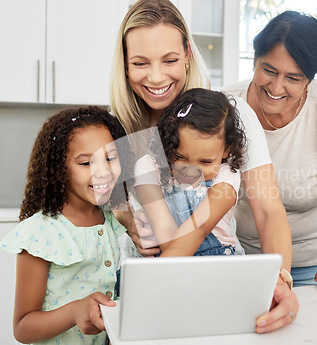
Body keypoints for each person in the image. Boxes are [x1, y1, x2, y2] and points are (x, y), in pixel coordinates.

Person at [109, 0, 298, 333]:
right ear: (125, 65)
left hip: (207, 282)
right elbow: (95, 210)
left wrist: (281, 280)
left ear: (187, 54)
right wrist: (126, 219)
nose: (156, 76)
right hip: (146, 291)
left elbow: (268, 209)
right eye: (140, 62)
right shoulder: (115, 130)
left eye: (169, 59)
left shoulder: (228, 116)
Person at [223, 11, 317, 291]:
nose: (276, 87)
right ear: (254, 61)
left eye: (294, 78)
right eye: (269, 70)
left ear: (310, 79)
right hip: (244, 261)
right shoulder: (226, 108)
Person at [0, 106, 130, 344]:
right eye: (86, 163)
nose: (104, 172)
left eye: (111, 158)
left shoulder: (112, 219)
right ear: (60, 170)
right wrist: (74, 311)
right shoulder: (41, 233)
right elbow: (23, 328)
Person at [133, 88, 246, 257]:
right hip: (170, 253)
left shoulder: (227, 174)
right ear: (168, 142)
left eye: (205, 162)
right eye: (179, 157)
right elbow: (164, 230)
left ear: (226, 150)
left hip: (219, 260)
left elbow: (199, 228)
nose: (192, 170)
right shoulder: (148, 167)